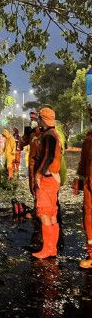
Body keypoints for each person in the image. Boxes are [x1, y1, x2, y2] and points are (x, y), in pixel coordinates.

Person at [32, 108, 62, 259]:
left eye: (38, 118)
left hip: (47, 178)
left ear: (42, 120)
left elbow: (48, 157)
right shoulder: (55, 134)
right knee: (51, 213)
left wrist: (38, 175)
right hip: (53, 177)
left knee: (44, 212)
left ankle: (48, 249)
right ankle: (52, 248)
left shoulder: (48, 135)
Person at [73, 104, 92, 268]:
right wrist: (79, 181)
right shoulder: (89, 138)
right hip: (89, 186)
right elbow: (84, 162)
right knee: (88, 221)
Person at [20, 110, 41, 210]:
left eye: (34, 119)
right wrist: (26, 135)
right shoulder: (31, 134)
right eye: (31, 119)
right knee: (32, 185)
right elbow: (21, 145)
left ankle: (40, 208)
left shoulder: (44, 132)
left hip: (41, 163)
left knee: (41, 185)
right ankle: (36, 206)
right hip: (32, 163)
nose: (33, 121)